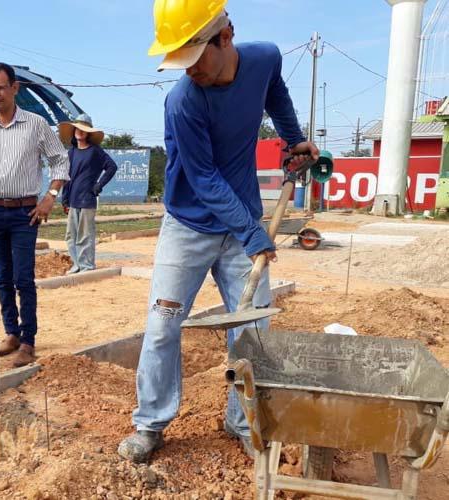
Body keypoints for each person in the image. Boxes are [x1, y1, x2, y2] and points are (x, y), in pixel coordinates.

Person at [117, 3, 319, 463]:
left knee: (253, 331)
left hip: (241, 223)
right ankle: (150, 424)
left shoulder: (264, 57)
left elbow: (276, 92)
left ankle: (244, 421)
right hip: (188, 226)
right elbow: (204, 179)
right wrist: (254, 234)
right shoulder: (183, 101)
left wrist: (293, 137)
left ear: (225, 36)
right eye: (180, 60)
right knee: (162, 326)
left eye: (194, 57)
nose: (189, 71)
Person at [0, 62, 70, 368]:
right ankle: (11, 332)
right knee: (2, 278)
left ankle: (28, 341)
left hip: (26, 213)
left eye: (0, 87)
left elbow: (60, 161)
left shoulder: (36, 125)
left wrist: (50, 197)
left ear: (14, 88)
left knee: (24, 278)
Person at [58, 113, 117, 274]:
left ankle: (87, 266)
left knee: (85, 235)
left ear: (89, 133)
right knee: (71, 235)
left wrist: (99, 185)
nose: (80, 131)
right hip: (73, 199)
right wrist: (64, 200)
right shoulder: (71, 153)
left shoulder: (95, 151)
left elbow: (112, 167)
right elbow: (67, 177)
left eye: (83, 129)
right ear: (74, 131)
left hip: (87, 199)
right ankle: (76, 264)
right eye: (77, 128)